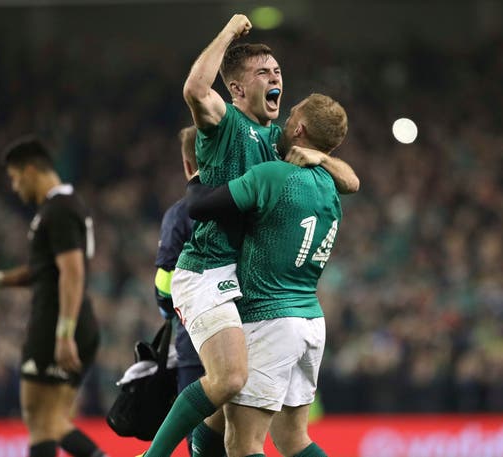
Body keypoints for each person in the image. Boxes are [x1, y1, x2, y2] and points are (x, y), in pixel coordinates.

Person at [137, 14, 358, 457]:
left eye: (277, 72)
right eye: (263, 73)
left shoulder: (275, 137)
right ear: (237, 89)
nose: (275, 78)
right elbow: (195, 91)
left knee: (227, 412)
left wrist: (318, 157)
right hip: (205, 269)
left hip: (241, 283)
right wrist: (228, 32)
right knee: (230, 381)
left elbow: (351, 180)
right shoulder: (225, 121)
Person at [186, 93, 353, 457]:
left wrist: (199, 173)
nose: (285, 116)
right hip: (309, 318)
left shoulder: (274, 175)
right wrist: (324, 158)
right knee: (293, 440)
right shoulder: (329, 183)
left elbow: (198, 206)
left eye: (292, 114)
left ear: (299, 128)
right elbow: (353, 180)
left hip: (269, 318)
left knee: (243, 443)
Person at [0, 136, 106, 457]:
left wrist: (63, 333)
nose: (14, 186)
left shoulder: (59, 209)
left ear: (32, 170)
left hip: (54, 323)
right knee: (53, 421)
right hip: (76, 320)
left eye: (15, 176)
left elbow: (72, 271)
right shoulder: (65, 205)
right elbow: (42, 270)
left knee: (39, 419)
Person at [153, 125, 225, 457]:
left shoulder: (180, 213)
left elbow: (165, 282)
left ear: (186, 165)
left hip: (195, 343)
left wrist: (168, 311)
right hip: (241, 337)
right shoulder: (240, 201)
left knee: (198, 442)